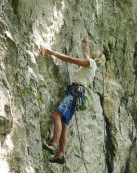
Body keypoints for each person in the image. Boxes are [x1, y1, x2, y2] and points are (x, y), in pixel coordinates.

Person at [40, 35, 102, 164]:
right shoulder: (92, 66)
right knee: (64, 124)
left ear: (97, 58)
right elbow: (86, 53)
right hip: (78, 94)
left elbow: (71, 59)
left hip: (74, 92)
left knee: (57, 115)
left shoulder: (91, 63)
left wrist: (51, 52)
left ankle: (54, 144)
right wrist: (86, 43)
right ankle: (60, 154)